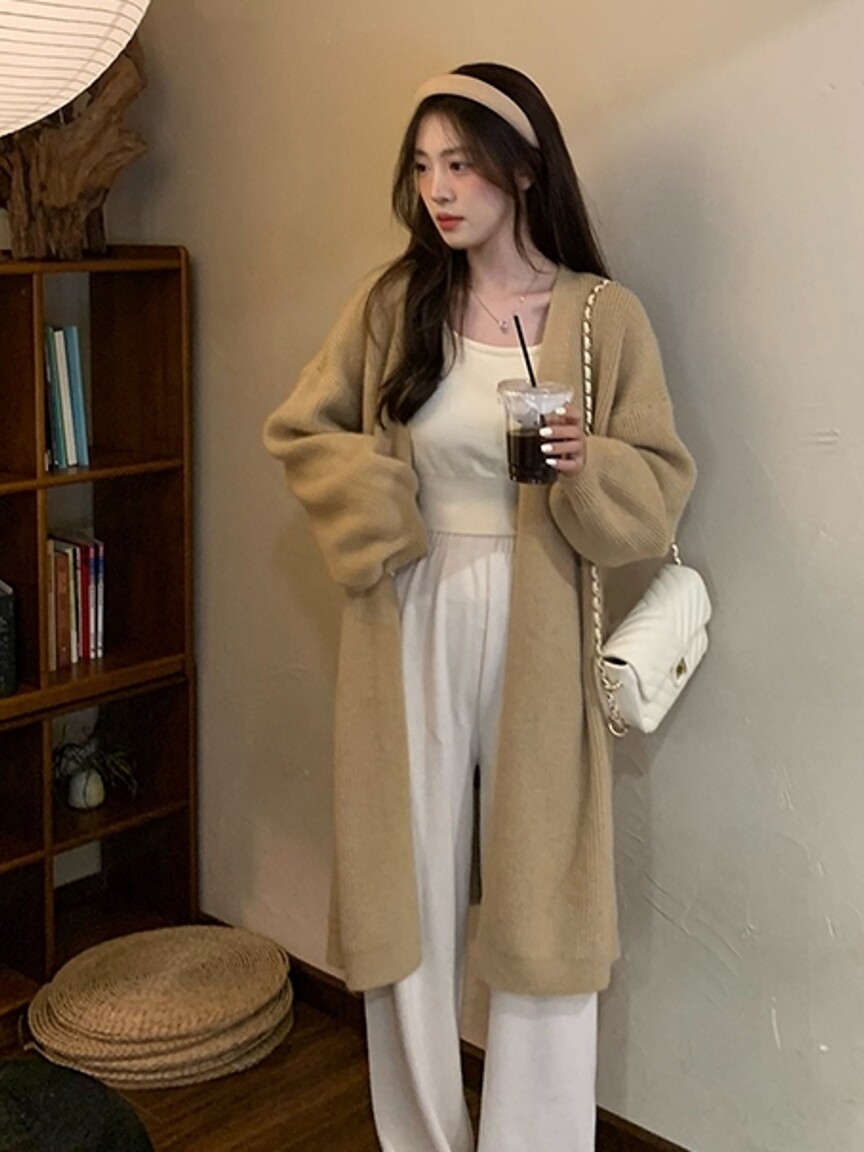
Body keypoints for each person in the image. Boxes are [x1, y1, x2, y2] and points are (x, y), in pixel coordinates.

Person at [264, 62, 695, 1152]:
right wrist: (382, 512)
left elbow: (658, 487)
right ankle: (421, 1135)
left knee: (541, 898)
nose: (439, 190)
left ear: (523, 170)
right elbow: (303, 431)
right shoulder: (395, 303)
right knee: (403, 883)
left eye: (460, 164)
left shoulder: (602, 317)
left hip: (540, 613)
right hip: (409, 608)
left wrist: (587, 461)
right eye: (423, 168)